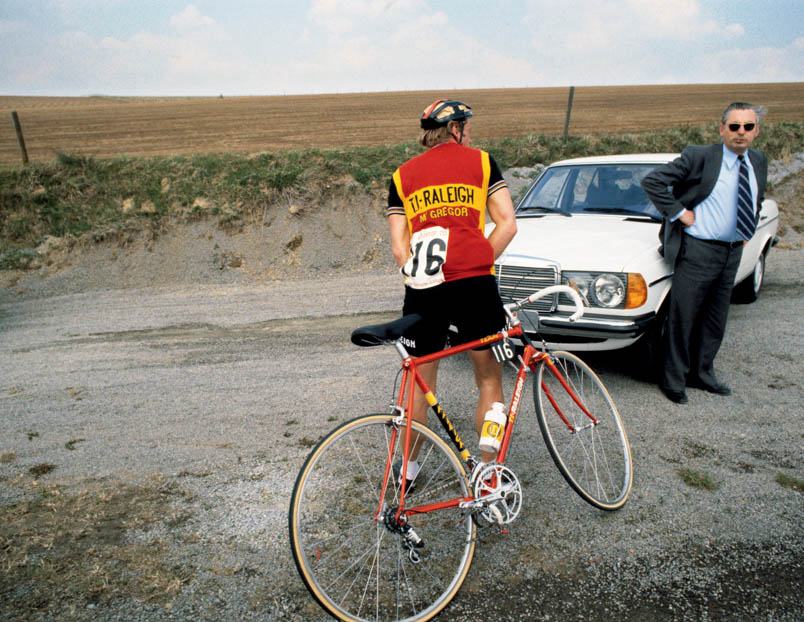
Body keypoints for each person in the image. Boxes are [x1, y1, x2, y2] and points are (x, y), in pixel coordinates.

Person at [386, 99, 517, 480]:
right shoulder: (481, 162)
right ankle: (490, 472)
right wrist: (477, 260)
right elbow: (507, 223)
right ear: (455, 128)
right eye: (467, 126)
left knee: (419, 382)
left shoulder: (401, 175)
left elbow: (399, 248)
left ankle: (407, 472)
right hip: (474, 284)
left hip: (424, 285)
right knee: (489, 377)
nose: (470, 133)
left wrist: (422, 276)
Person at [641, 102, 767, 404]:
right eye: (734, 126)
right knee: (683, 317)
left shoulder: (758, 161)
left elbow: (756, 198)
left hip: (732, 252)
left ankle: (703, 373)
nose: (741, 133)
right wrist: (679, 213)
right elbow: (653, 181)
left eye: (747, 127)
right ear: (722, 129)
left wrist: (746, 232)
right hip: (698, 250)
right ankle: (673, 381)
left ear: (756, 131)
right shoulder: (701, 157)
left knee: (715, 318)